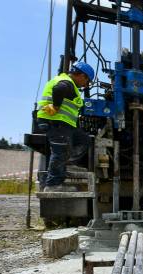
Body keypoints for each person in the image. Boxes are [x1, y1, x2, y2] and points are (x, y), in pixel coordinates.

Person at [36, 62, 94, 192]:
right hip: (55, 121)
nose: (86, 85)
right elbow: (58, 89)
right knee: (60, 152)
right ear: (82, 75)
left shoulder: (69, 83)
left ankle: (68, 164)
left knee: (83, 140)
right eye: (87, 81)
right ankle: (52, 185)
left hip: (65, 124)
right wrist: (56, 106)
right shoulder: (66, 82)